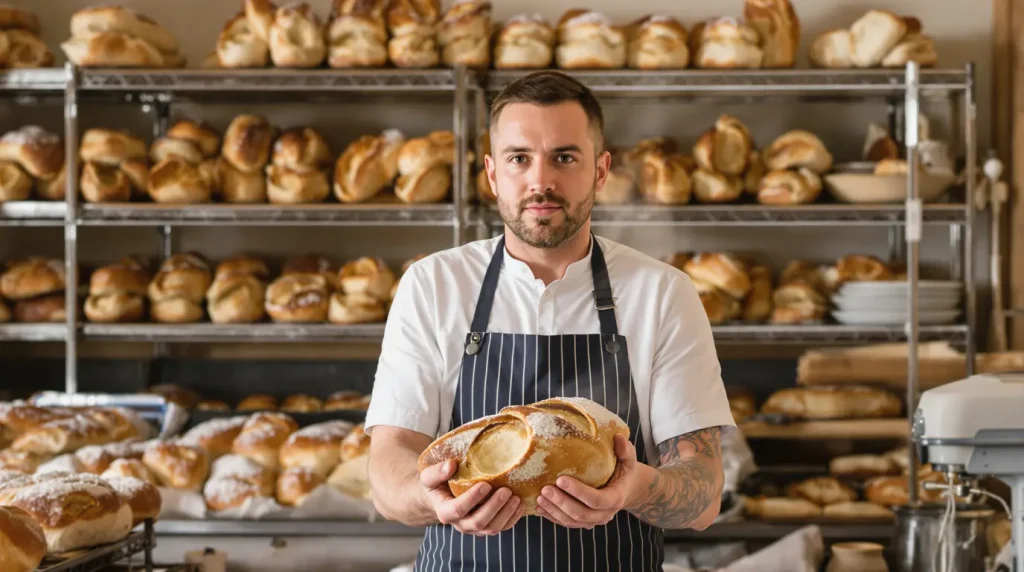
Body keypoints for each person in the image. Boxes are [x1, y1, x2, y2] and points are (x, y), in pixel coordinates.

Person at [364, 70, 735, 572]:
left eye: (565, 157)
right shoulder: (433, 286)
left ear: (600, 171)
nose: (541, 180)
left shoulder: (663, 294)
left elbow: (703, 491)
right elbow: (389, 468)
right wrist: (432, 499)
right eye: (520, 158)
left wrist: (631, 490)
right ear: (493, 174)